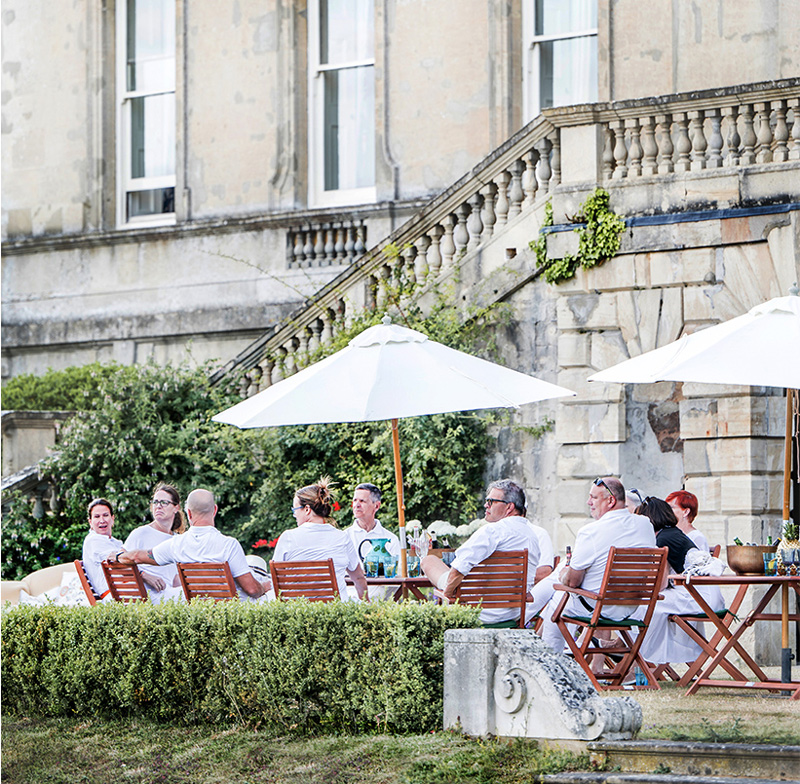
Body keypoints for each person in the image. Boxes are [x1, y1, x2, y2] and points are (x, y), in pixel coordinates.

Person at [538, 477, 657, 653]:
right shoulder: (645, 524)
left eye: (593, 497)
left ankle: (550, 661)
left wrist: (564, 573)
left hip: (597, 608)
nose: (588, 502)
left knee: (559, 598)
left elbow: (572, 582)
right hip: (631, 607)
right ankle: (568, 655)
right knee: (565, 596)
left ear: (610, 500)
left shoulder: (591, 531)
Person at [421, 479, 542, 626]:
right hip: (513, 613)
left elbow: (458, 570)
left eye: (491, 501)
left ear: (509, 507)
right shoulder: (532, 536)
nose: (486, 505)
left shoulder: (493, 531)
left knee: (429, 560)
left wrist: (447, 596)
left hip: (478, 612)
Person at [118, 488, 269, 600]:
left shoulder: (176, 544)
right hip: (230, 616)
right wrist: (267, 586)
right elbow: (253, 590)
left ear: (188, 513)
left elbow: (137, 556)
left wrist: (118, 556)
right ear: (215, 510)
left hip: (197, 614)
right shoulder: (229, 545)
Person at [635, 496, 725, 665]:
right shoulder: (672, 534)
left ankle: (637, 659)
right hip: (705, 594)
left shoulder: (662, 540)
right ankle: (639, 658)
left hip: (697, 597)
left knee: (643, 606)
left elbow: (660, 585)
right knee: (648, 605)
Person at [272, 477, 368, 600]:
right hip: (337, 613)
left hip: (298, 614)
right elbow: (358, 577)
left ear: (307, 509)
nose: (294, 515)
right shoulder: (342, 537)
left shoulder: (288, 538)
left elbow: (277, 582)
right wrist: (366, 601)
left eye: (295, 510)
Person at [122, 483, 184, 600]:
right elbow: (119, 560)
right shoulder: (141, 533)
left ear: (176, 508)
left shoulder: (177, 539)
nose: (158, 506)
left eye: (164, 502)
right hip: (147, 597)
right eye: (155, 502)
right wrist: (144, 575)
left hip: (168, 596)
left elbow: (175, 579)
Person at [345, 483, 401, 561]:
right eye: (355, 500)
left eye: (362, 501)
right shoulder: (345, 537)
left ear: (376, 506)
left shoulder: (391, 539)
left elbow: (397, 570)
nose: (357, 505)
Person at [82, 498, 124, 600]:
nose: (102, 520)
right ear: (90, 522)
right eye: (97, 516)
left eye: (105, 515)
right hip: (115, 596)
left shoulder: (114, 542)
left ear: (112, 518)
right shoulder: (93, 540)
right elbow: (122, 561)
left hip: (127, 591)